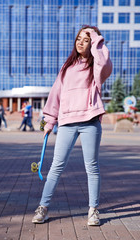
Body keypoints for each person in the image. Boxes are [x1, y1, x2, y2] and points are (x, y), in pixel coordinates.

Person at [32, 25, 112, 226]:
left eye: (86, 40)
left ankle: (93, 210)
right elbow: (55, 95)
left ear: (92, 43)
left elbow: (104, 61)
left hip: (90, 122)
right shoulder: (67, 67)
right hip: (66, 122)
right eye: (78, 38)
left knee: (91, 167)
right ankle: (43, 207)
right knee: (55, 167)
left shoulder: (97, 67)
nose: (80, 42)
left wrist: (95, 36)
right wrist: (48, 121)